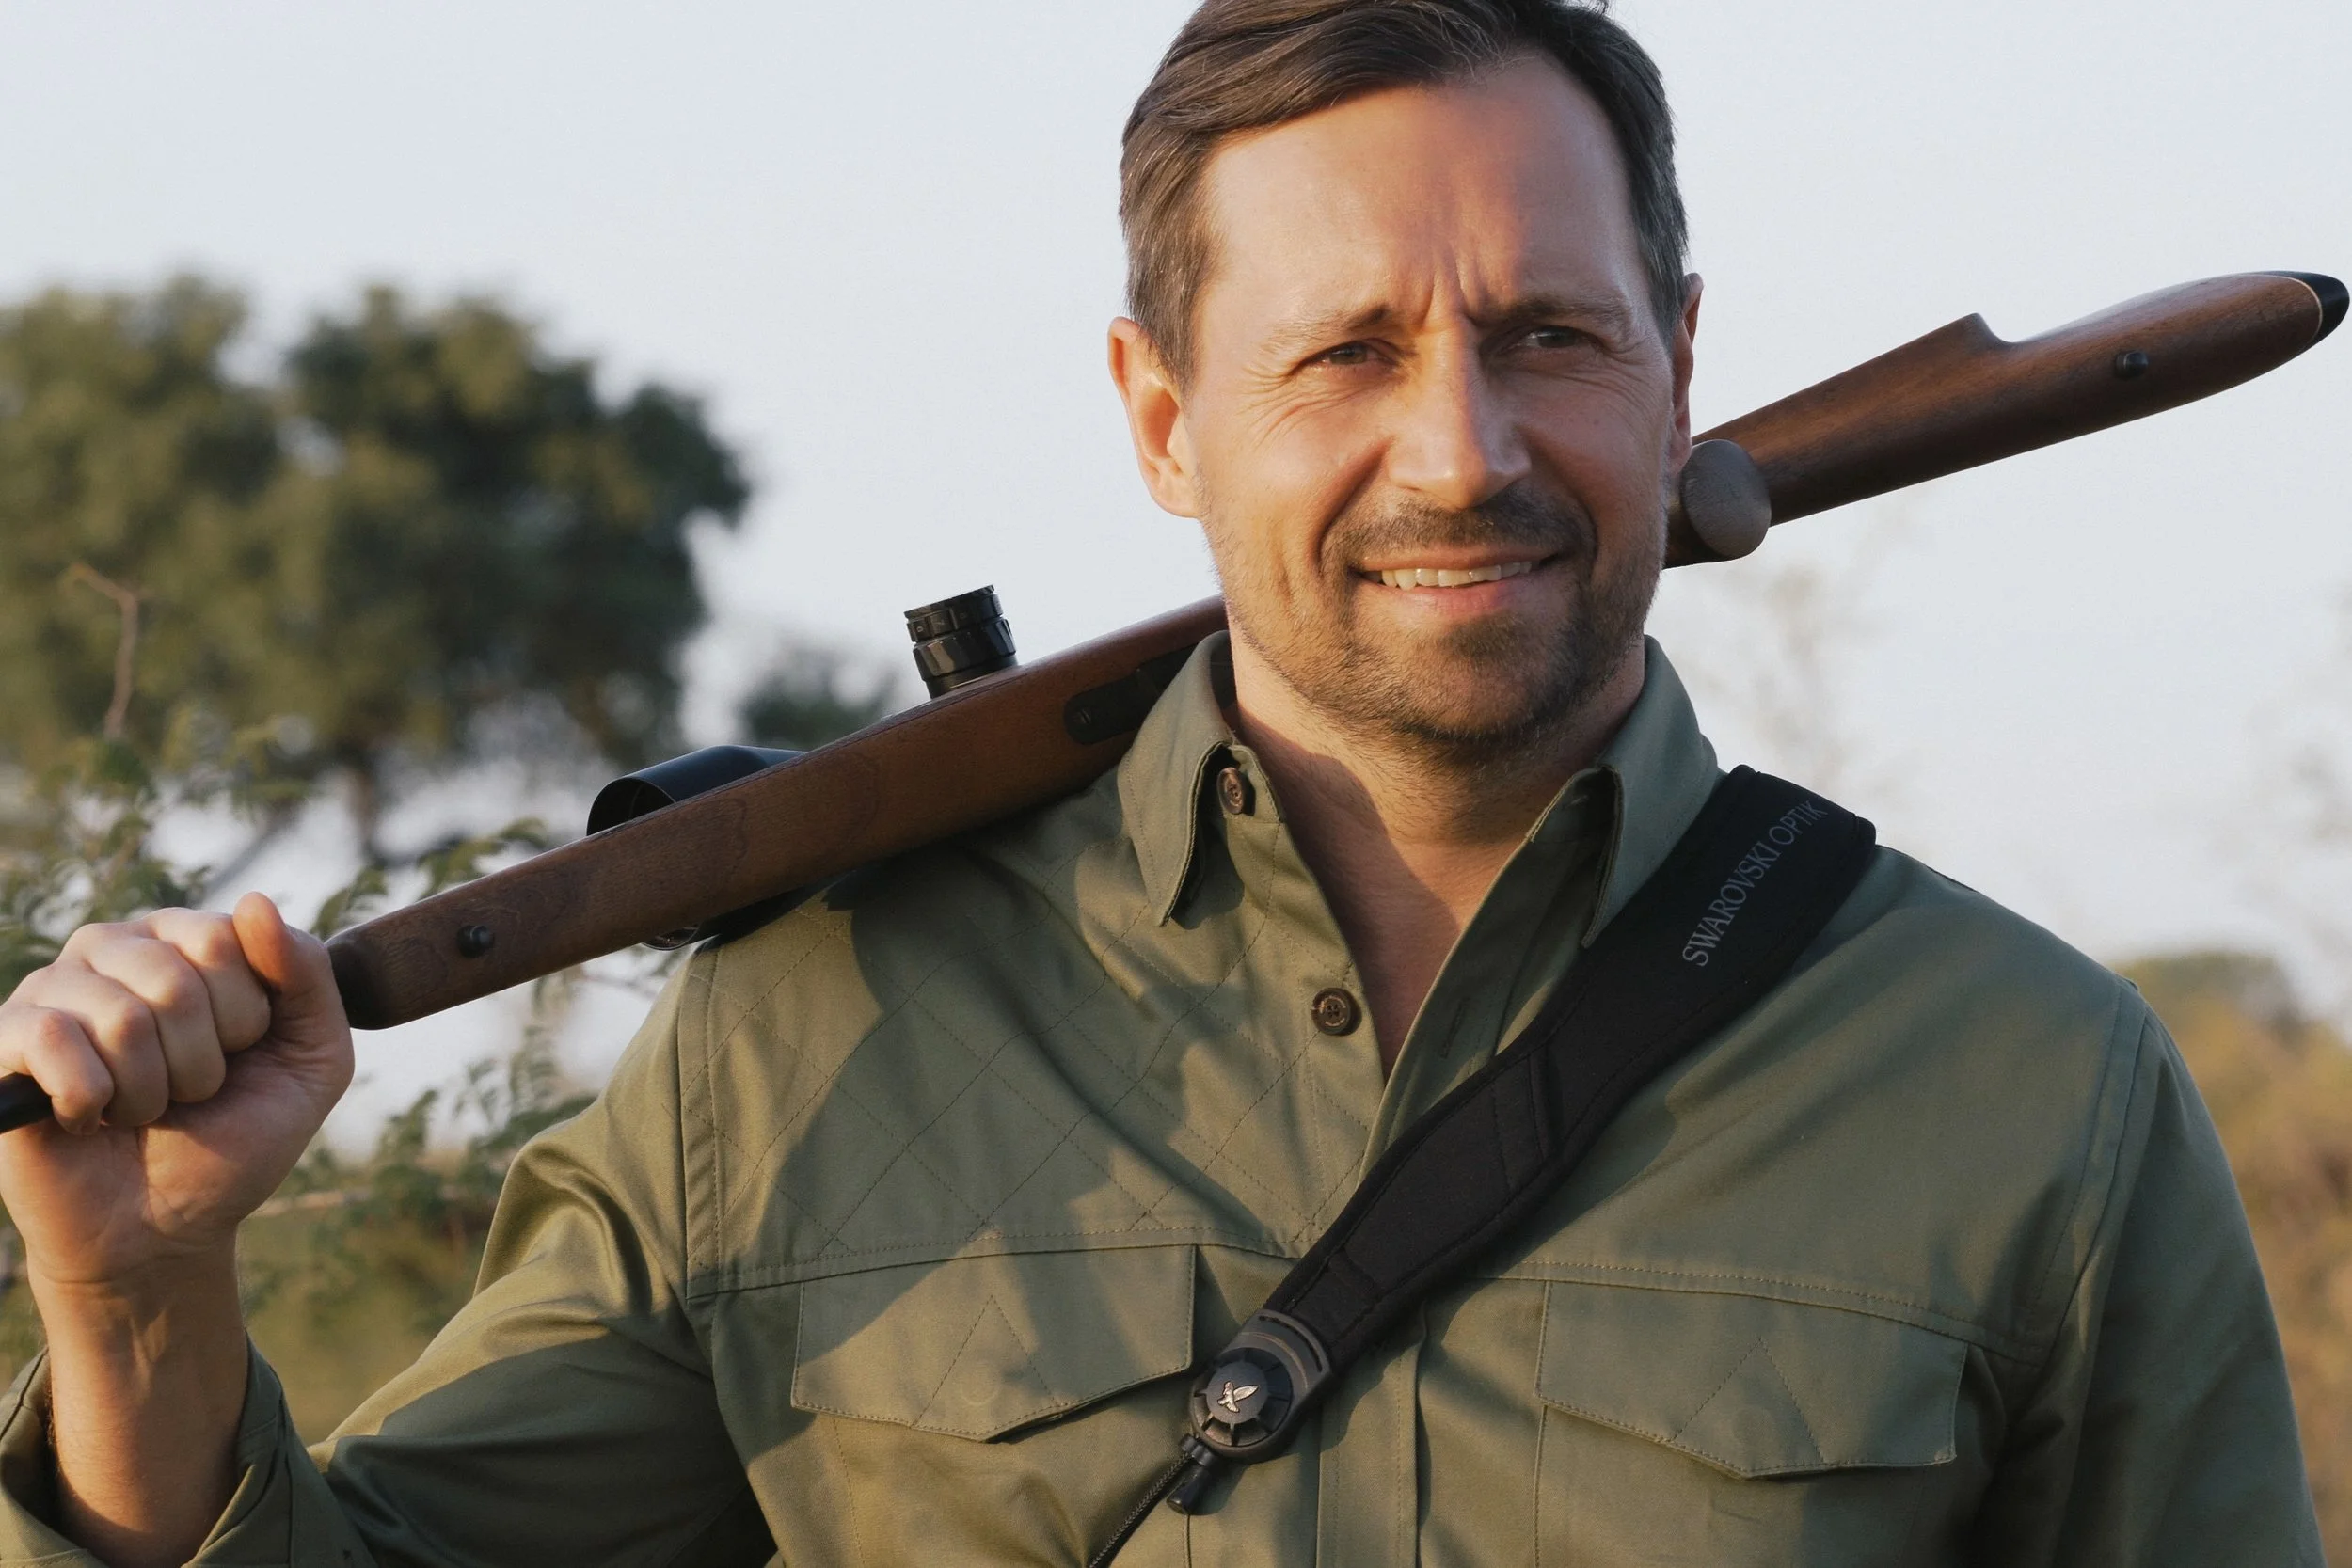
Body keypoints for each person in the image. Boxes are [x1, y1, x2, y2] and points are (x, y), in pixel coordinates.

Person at [0, 1, 2322, 1563]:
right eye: (1345, 353)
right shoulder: (798, 1042)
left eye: (1549, 336)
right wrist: (134, 1298)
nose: (1463, 449)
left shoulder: (2036, 1083)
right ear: (1157, 416)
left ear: (1678, 363)